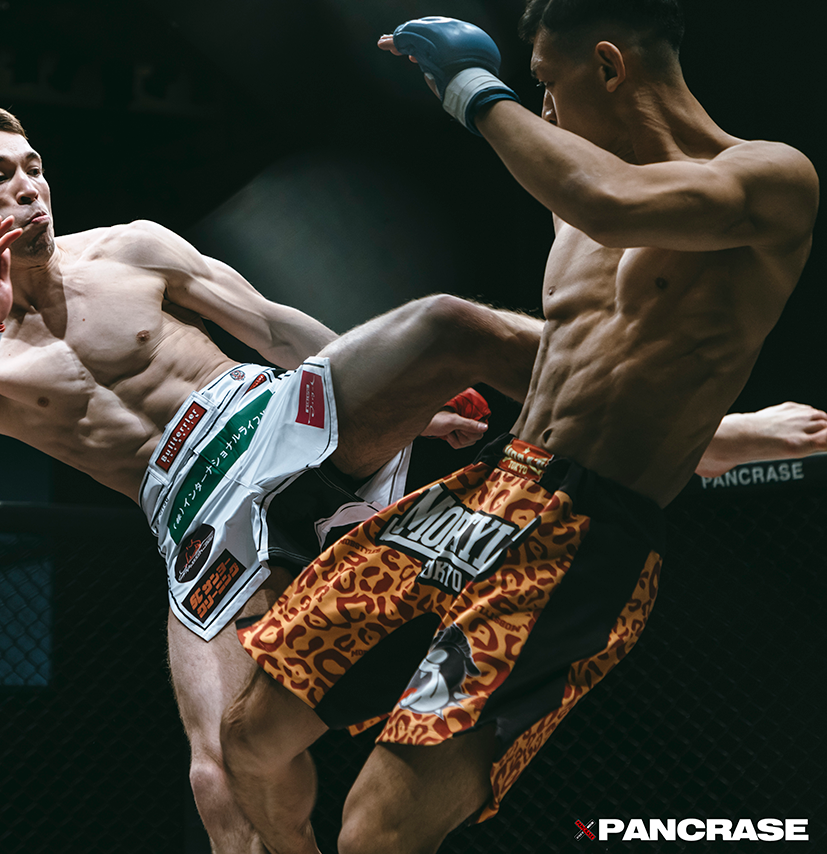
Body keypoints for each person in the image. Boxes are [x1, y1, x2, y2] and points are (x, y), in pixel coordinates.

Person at [0, 106, 818, 853]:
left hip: (270, 421)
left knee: (447, 326)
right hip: (195, 519)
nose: (28, 187)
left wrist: (407, 400)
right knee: (221, 774)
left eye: (33, 165)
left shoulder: (130, 248)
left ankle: (711, 435)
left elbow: (270, 327)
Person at [218, 4, 820, 854]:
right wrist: (725, 433)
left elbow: (610, 203)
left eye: (546, 81)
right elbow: (595, 359)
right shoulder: (573, 205)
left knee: (377, 835)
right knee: (250, 735)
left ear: (608, 67)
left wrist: (471, 88)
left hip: (580, 535)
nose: (540, 107)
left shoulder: (770, 179)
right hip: (491, 488)